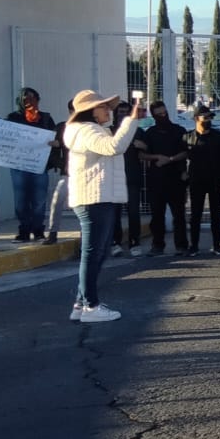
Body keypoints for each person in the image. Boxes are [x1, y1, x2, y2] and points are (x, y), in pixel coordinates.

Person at [63, 90, 145, 323]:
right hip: (93, 199)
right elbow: (114, 147)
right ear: (90, 110)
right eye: (103, 107)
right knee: (92, 254)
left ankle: (81, 304)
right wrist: (131, 121)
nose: (108, 110)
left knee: (97, 253)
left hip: (97, 197)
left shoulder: (87, 130)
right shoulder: (86, 130)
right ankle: (90, 305)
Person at [4, 87, 58, 242]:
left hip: (39, 166)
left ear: (38, 100)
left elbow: (55, 136)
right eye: (25, 99)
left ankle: (38, 230)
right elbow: (1, 134)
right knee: (21, 201)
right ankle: (24, 230)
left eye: (32, 98)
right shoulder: (13, 117)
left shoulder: (46, 118)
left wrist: (55, 143)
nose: (29, 102)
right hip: (19, 166)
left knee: (39, 200)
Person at [139, 99, 188, 256]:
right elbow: (141, 154)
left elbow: (186, 152)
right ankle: (157, 245)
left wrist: (171, 159)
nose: (163, 116)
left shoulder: (178, 131)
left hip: (176, 178)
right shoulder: (150, 133)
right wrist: (156, 157)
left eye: (164, 113)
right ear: (153, 116)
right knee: (157, 215)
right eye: (159, 114)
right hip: (156, 180)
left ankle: (181, 246)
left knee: (179, 215)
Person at [182, 106, 220, 255]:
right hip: (196, 180)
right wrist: (183, 174)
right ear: (197, 119)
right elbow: (182, 158)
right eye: (205, 117)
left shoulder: (219, 137)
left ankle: (217, 245)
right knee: (195, 214)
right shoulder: (188, 137)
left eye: (210, 117)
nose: (209, 120)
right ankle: (194, 246)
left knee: (216, 215)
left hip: (215, 180)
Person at [111, 99, 145, 256]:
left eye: (126, 113)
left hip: (132, 176)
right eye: (120, 113)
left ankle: (134, 242)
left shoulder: (137, 131)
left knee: (133, 212)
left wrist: (142, 146)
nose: (123, 116)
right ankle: (115, 242)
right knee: (114, 213)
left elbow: (148, 149)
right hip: (114, 178)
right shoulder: (109, 132)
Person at [42, 100, 73, 245]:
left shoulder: (89, 127)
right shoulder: (62, 127)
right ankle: (53, 232)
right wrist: (61, 165)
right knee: (57, 200)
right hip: (68, 172)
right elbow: (54, 147)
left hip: (87, 173)